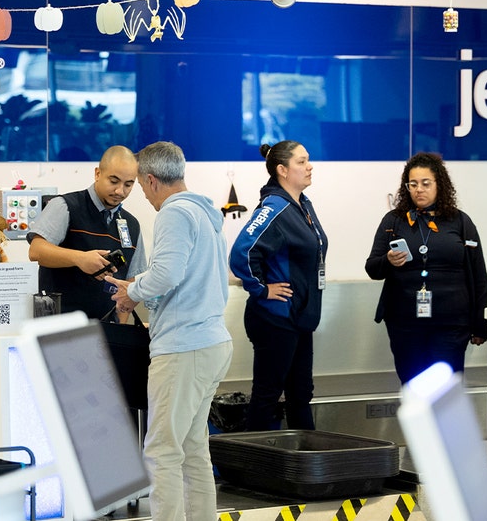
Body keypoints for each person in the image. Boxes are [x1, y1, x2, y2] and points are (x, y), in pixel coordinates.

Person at [105, 141, 233, 521]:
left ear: (150, 179)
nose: (143, 195)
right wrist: (143, 284)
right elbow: (181, 273)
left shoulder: (174, 214)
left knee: (161, 452)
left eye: (141, 187)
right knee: (193, 449)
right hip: (211, 343)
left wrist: (132, 291)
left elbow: (168, 274)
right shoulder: (205, 213)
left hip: (183, 348)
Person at [228, 140, 328, 432]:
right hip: (276, 318)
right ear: (282, 170)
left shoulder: (302, 204)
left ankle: (306, 467)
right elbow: (241, 253)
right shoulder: (274, 207)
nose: (309, 167)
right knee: (267, 396)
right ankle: (251, 469)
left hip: (300, 318)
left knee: (300, 395)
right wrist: (262, 288)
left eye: (308, 160)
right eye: (301, 162)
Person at [365, 152, 487, 384]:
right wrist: (388, 261)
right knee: (413, 389)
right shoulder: (393, 221)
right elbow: (372, 268)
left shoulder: (461, 222)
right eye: (413, 184)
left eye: (425, 183)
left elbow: (478, 275)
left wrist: (480, 324)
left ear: (439, 184)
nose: (418, 189)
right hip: (405, 324)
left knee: (446, 393)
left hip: (451, 324)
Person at [27, 145, 146, 321]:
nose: (120, 191)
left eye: (128, 184)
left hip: (106, 330)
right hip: (60, 327)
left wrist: (119, 329)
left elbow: (128, 284)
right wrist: (80, 259)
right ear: (97, 174)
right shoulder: (65, 206)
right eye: (113, 181)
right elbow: (36, 251)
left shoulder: (131, 225)